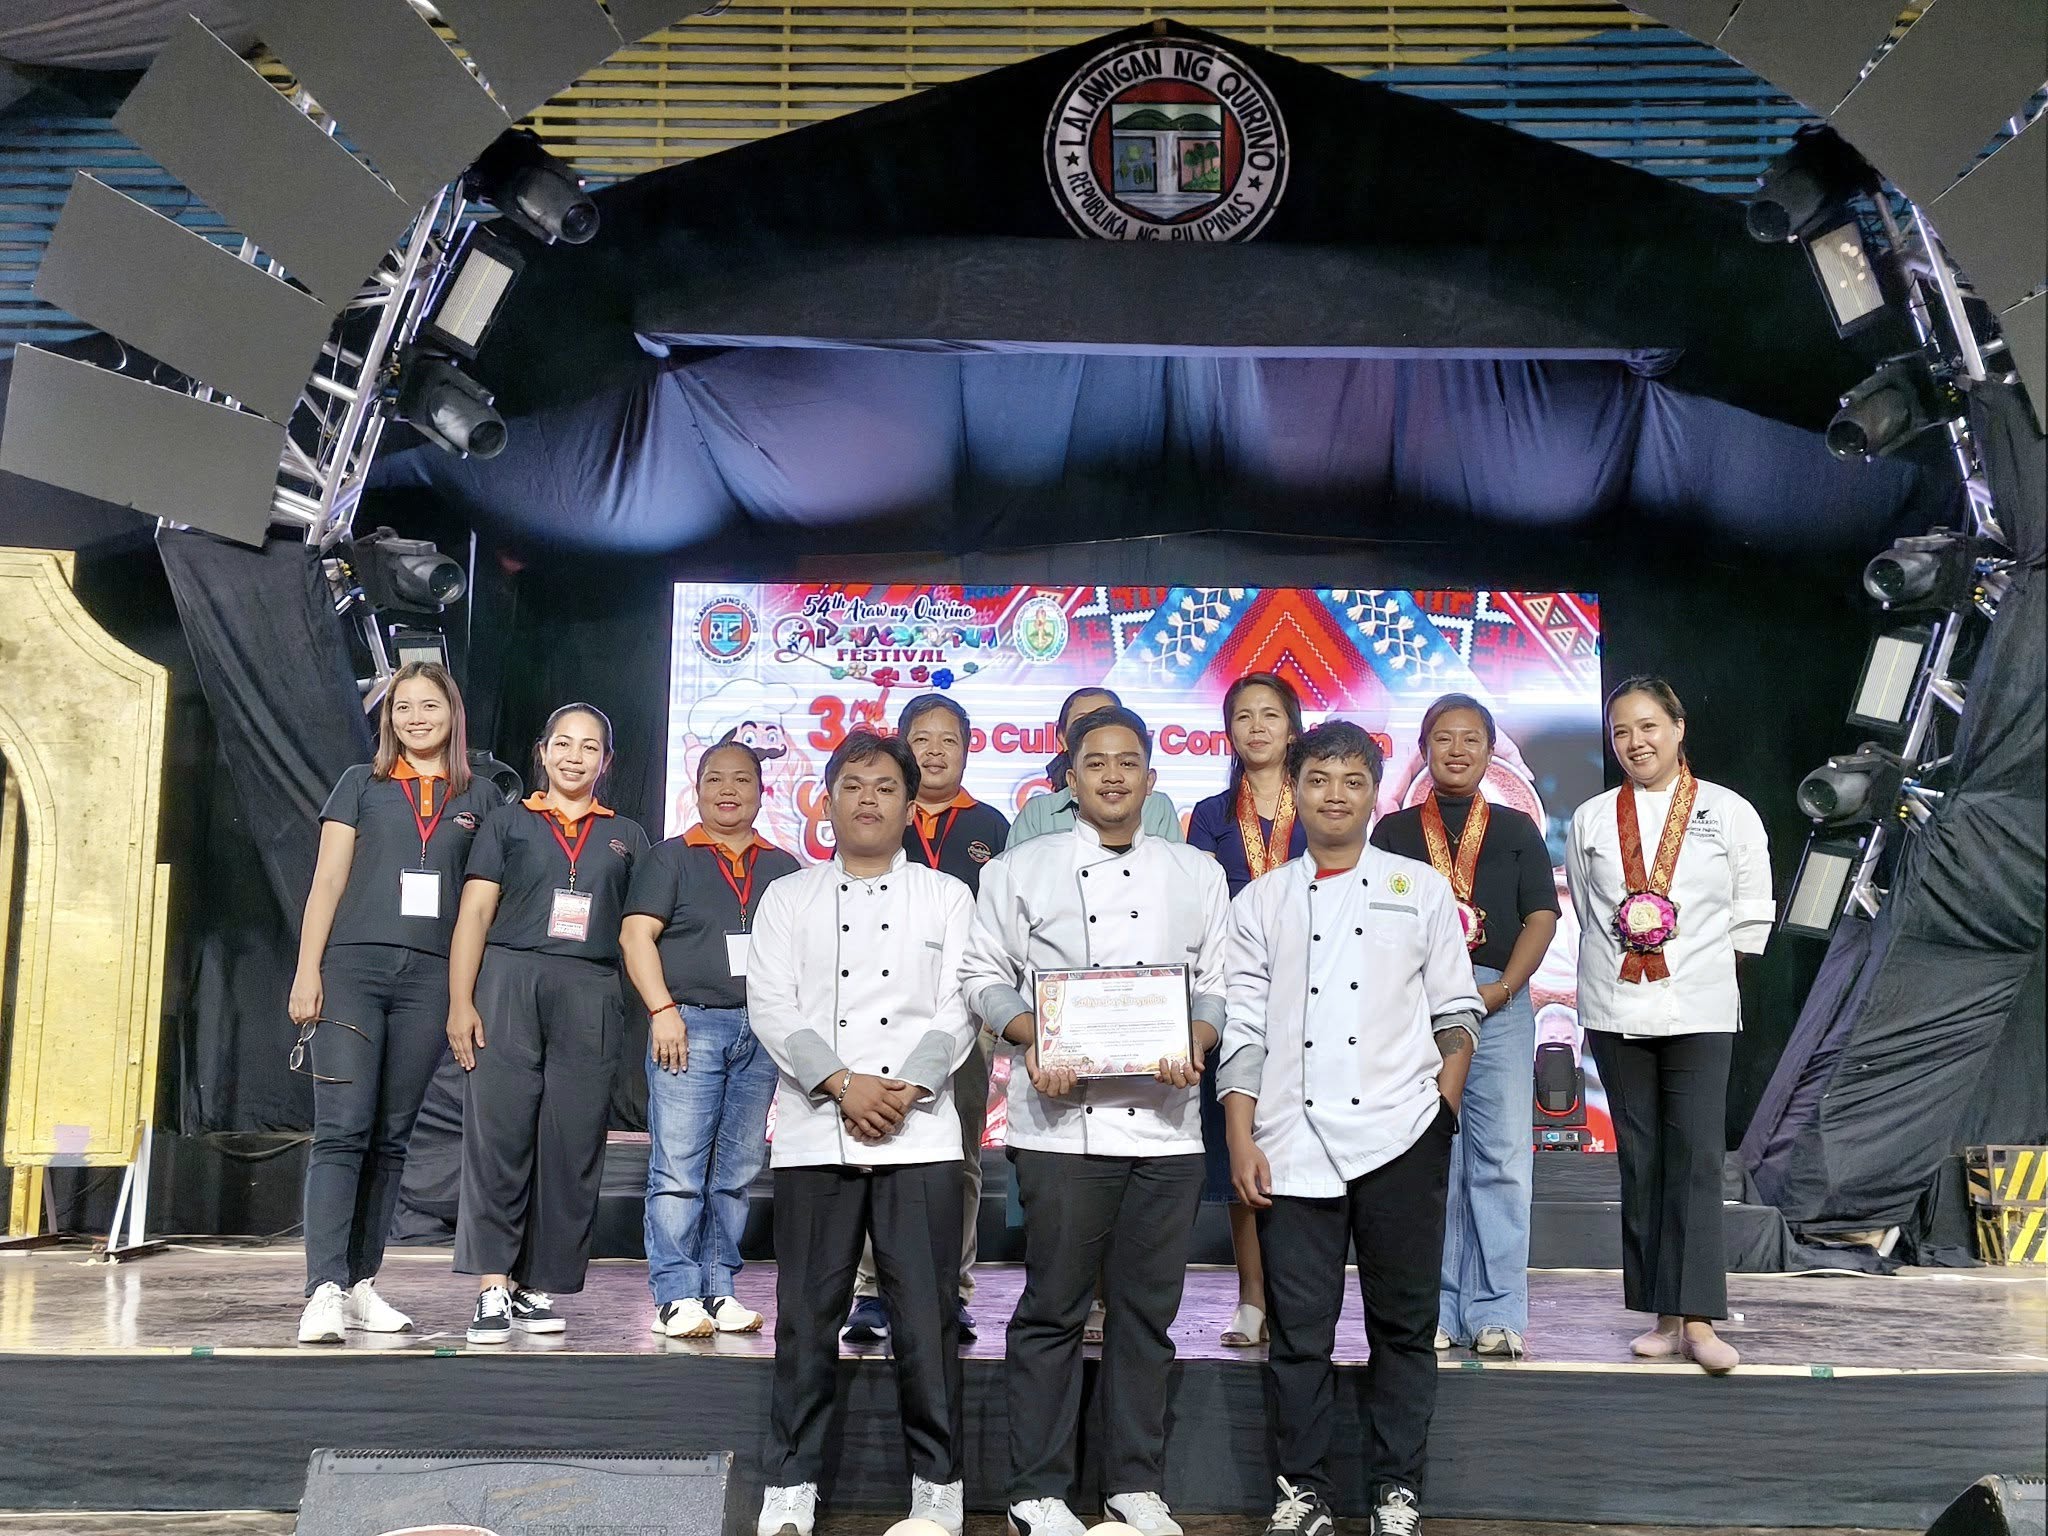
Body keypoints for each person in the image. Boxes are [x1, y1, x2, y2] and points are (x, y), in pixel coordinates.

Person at [961, 704, 1230, 1536]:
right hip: (1058, 1124)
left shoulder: (1196, 873)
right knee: (1053, 1308)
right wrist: (1032, 1038)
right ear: (1069, 779)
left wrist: (1195, 1039)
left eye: (1128, 762)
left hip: (1167, 1126)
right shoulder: (1020, 870)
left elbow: (1218, 985)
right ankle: (1036, 1491)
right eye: (1096, 763)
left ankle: (1132, 1484)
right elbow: (982, 976)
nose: (1113, 775)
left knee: (1147, 1313)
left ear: (1152, 778)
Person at [1220, 720, 1482, 1536]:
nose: (1335, 795)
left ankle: (1397, 1491)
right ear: (1293, 791)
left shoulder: (1420, 887)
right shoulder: (1260, 901)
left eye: (1352, 781)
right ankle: (1302, 1492)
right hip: (1291, 1143)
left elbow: (1457, 1012)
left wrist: (1441, 1112)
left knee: (1402, 1328)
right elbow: (1244, 1032)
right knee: (1300, 1335)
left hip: (1403, 1136)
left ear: (1375, 794)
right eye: (1319, 780)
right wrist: (1240, 1136)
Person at [748, 730, 978, 1536]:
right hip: (818, 1129)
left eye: (885, 787)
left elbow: (961, 1006)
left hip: (921, 1132)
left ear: (910, 806)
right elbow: (772, 1005)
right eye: (852, 785)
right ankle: (791, 1483)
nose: (868, 799)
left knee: (926, 1320)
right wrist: (843, 1084)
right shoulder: (789, 897)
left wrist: (905, 1087)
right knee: (805, 1317)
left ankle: (938, 1484)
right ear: (827, 801)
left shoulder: (947, 896)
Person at [289, 661, 500, 1344]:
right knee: (342, 1129)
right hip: (351, 971)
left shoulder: (482, 797)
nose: (415, 717)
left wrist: (464, 995)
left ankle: (359, 1284)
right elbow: (326, 883)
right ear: (389, 718)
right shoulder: (361, 784)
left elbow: (483, 902)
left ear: (452, 713)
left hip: (430, 979)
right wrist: (307, 971)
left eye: (428, 705)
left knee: (390, 1138)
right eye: (402, 707)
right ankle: (322, 1288)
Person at [1566, 676, 1770, 1375]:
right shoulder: (1593, 818)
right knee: (1643, 1157)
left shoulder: (1728, 811)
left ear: (1678, 728)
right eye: (1621, 732)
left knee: (1696, 1156)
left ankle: (1701, 1320)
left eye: (1648, 726)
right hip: (1615, 1006)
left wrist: (1701, 974)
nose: (1635, 742)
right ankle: (1663, 1315)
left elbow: (1751, 911)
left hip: (1699, 1008)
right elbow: (1589, 914)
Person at [446, 703, 651, 1344]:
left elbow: (638, 932)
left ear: (606, 762)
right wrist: (460, 1001)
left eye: (589, 747)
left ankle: (538, 1285)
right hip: (508, 981)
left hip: (590, 989)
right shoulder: (508, 822)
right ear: (542, 751)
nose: (574, 757)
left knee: (572, 1142)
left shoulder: (628, 836)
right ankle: (492, 1286)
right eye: (563, 743)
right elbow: (475, 915)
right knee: (499, 1136)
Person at [1370, 694, 1560, 1360]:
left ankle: (1499, 1309)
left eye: (1471, 738)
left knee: (1501, 1158)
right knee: (1432, 1159)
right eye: (1444, 738)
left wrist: (1502, 988)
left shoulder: (1516, 828)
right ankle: (1439, 1307)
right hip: (1417, 1006)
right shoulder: (1393, 832)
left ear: (1490, 750)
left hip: (1499, 1001)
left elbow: (1542, 917)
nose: (1457, 750)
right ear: (1424, 750)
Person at [845, 693, 1010, 1345]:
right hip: (879, 1010)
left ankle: (951, 1289)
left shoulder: (993, 825)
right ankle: (870, 1291)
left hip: (964, 1015)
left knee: (960, 1155)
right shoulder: (879, 813)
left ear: (967, 749)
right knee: (875, 1145)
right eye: (922, 739)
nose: (935, 752)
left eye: (949, 740)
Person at [622, 739, 801, 1339]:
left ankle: (719, 1287)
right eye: (715, 779)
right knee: (679, 1170)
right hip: (689, 1025)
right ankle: (676, 1294)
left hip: (762, 1031)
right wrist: (662, 1011)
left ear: (762, 792)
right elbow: (635, 937)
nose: (729, 790)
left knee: (737, 1170)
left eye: (742, 779)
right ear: (695, 790)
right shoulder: (670, 858)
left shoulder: (783, 867)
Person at [1186, 672, 1307, 1348]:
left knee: (1300, 1145)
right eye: (1243, 717)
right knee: (1242, 1143)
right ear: (1229, 732)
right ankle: (1253, 1298)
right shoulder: (1210, 815)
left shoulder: (1319, 799)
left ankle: (1299, 1297)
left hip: (1312, 990)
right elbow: (1202, 910)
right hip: (1237, 994)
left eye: (1270, 715)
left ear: (1293, 728)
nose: (1257, 727)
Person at [1007, 686, 1183, 846]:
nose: (1097, 730)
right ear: (1062, 737)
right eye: (1082, 722)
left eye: (1107, 717)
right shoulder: (1037, 813)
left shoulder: (1157, 806)